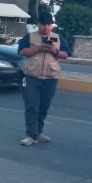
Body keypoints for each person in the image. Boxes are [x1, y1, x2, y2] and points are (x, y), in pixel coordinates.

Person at [17, 11, 71, 145]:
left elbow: (66, 54)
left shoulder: (58, 38)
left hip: (50, 78)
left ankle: (38, 132)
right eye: (43, 24)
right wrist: (39, 48)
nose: (46, 27)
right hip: (31, 77)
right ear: (38, 24)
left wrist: (55, 51)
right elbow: (22, 51)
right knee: (31, 106)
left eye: (49, 24)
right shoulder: (29, 37)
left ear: (51, 25)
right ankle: (30, 135)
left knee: (43, 107)